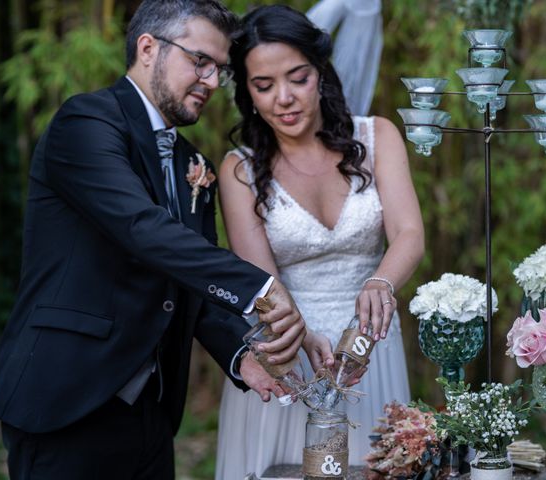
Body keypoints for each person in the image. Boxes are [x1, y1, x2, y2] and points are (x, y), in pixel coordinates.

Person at [0, 1, 309, 479]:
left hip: (152, 415)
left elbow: (191, 274)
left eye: (220, 70)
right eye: (200, 62)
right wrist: (260, 288)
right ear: (149, 48)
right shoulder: (87, 123)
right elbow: (142, 229)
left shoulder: (191, 162)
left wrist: (242, 356)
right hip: (68, 401)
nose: (213, 82)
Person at [215, 5, 425, 478]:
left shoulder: (379, 137)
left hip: (370, 350)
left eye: (298, 78)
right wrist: (299, 336)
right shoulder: (238, 171)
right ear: (247, 93)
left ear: (320, 73)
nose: (284, 99)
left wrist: (381, 283)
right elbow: (260, 283)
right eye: (264, 86)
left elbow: (410, 234)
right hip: (289, 351)